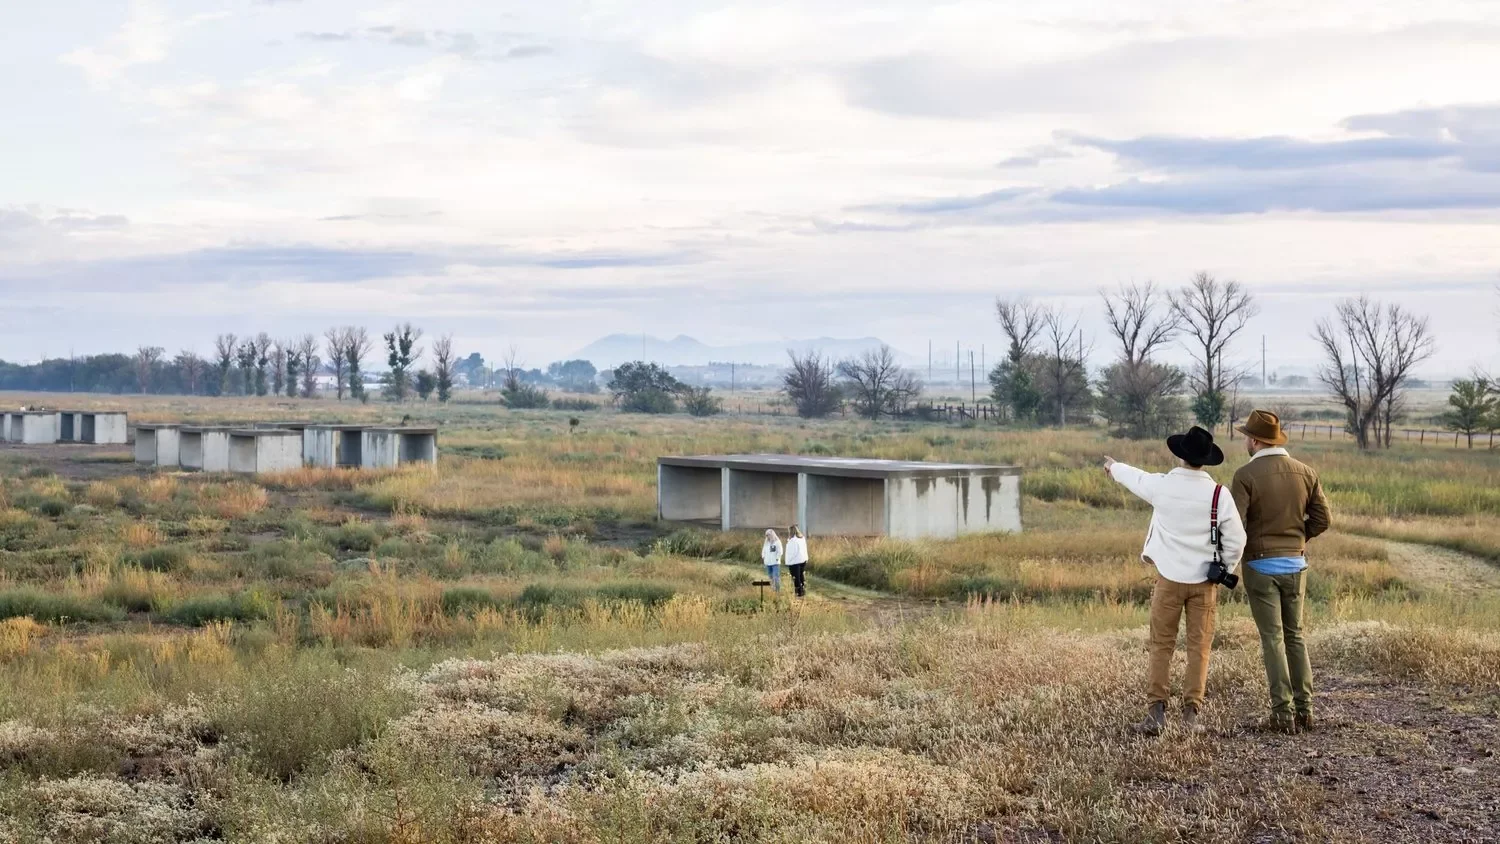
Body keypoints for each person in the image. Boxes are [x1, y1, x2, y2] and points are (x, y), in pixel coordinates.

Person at [1104, 425, 1246, 736]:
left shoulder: (1163, 486)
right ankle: (1191, 715)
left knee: (1161, 645)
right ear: (1205, 460)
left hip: (1168, 580)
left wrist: (1114, 467)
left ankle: (1156, 713)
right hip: (1205, 584)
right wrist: (1223, 566)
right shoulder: (1219, 495)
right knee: (1199, 647)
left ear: (1181, 455)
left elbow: (1135, 477)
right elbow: (1237, 539)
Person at [1231, 410, 1331, 734]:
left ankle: (1282, 714)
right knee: (1296, 637)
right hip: (1296, 564)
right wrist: (1299, 538)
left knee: (1272, 639)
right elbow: (1322, 520)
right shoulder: (1306, 472)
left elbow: (1236, 526)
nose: (1245, 440)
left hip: (1260, 566)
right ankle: (1306, 711)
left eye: (1247, 436)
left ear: (1256, 440)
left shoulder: (1245, 475)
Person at [784, 525, 809, 598]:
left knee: (796, 578)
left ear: (791, 532)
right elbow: (805, 549)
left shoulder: (793, 541)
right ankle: (803, 591)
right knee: (801, 576)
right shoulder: (802, 538)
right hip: (803, 560)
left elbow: (792, 552)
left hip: (794, 561)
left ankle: (798, 593)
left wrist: (788, 561)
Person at [761, 529, 783, 593]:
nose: (767, 536)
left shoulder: (777, 542)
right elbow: (763, 551)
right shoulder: (766, 543)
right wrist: (764, 557)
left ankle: (777, 590)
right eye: (766, 535)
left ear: (772, 535)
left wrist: (777, 558)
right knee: (770, 576)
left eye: (768, 535)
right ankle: (772, 589)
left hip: (775, 563)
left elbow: (780, 551)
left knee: (776, 576)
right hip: (768, 563)